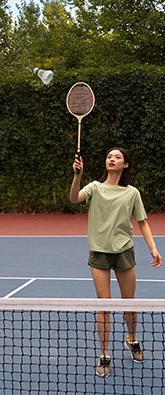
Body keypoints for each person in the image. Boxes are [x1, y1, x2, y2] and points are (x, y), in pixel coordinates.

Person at [69, 148, 161, 378]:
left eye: (117, 157)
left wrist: (153, 248)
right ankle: (104, 354)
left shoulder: (132, 193)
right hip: (99, 253)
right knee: (104, 305)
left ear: (125, 165)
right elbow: (73, 199)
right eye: (109, 156)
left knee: (129, 303)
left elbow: (143, 223)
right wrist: (77, 176)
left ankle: (132, 338)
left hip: (124, 252)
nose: (112, 159)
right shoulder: (95, 187)